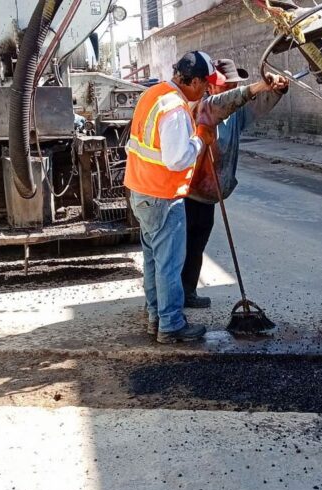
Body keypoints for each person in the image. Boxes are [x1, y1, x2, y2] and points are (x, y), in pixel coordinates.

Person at [124, 51, 220, 343]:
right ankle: (171, 324)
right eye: (206, 85)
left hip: (141, 192)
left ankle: (155, 317)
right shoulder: (175, 108)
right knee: (169, 264)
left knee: (154, 261)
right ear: (195, 81)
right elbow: (176, 159)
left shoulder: (153, 94)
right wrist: (200, 139)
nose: (207, 91)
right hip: (163, 196)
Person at [182, 59, 289, 308]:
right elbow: (227, 102)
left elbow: (257, 106)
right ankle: (174, 297)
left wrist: (277, 90)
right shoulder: (204, 107)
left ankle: (187, 292)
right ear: (211, 86)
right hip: (189, 193)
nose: (231, 89)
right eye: (226, 85)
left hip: (210, 194)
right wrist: (257, 87)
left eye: (234, 85)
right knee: (184, 247)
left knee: (197, 245)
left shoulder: (235, 114)